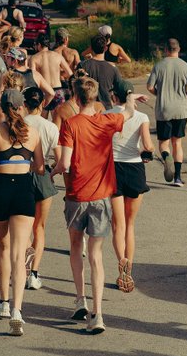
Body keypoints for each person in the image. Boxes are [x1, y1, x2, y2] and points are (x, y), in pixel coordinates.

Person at [53, 77, 139, 334]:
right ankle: (98, 314)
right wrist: (132, 97)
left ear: (76, 97)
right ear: (96, 98)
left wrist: (52, 172)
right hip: (101, 196)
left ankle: (80, 300)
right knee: (96, 256)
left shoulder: (70, 124)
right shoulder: (107, 121)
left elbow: (65, 163)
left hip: (76, 195)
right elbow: (129, 112)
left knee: (75, 247)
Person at [0, 88, 44, 336]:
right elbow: (38, 167)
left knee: (3, 246)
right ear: (22, 107)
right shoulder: (33, 133)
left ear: (3, 109)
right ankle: (17, 310)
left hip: (0, 189)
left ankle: (3, 303)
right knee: (19, 253)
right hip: (24, 191)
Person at [110, 80, 153, 291]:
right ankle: (130, 267)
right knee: (130, 224)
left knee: (117, 225)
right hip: (135, 169)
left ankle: (121, 266)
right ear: (131, 95)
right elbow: (148, 145)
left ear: (112, 96)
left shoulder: (106, 115)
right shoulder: (141, 117)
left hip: (113, 170)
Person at [147, 37, 187, 187]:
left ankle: (166, 156)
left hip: (164, 109)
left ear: (165, 50)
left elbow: (149, 86)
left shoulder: (159, 66)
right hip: (181, 110)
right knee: (177, 143)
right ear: (179, 49)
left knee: (164, 144)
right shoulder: (186, 66)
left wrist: (160, 93)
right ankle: (177, 178)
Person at [23, 85, 60, 290]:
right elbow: (61, 160)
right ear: (42, 103)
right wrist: (52, 172)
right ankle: (34, 273)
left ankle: (24, 265)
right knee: (40, 226)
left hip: (21, 173)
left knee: (24, 226)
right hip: (43, 173)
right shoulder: (50, 127)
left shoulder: (18, 124)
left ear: (25, 104)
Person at [31, 32, 72, 117]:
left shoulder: (34, 58)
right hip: (58, 91)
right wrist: (58, 73)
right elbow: (70, 73)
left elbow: (33, 77)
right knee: (59, 120)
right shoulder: (57, 56)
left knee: (42, 121)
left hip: (44, 91)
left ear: (39, 44)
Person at [83, 33, 126, 109]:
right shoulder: (113, 68)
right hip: (107, 108)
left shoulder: (83, 66)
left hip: (88, 108)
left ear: (91, 48)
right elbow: (121, 89)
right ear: (105, 48)